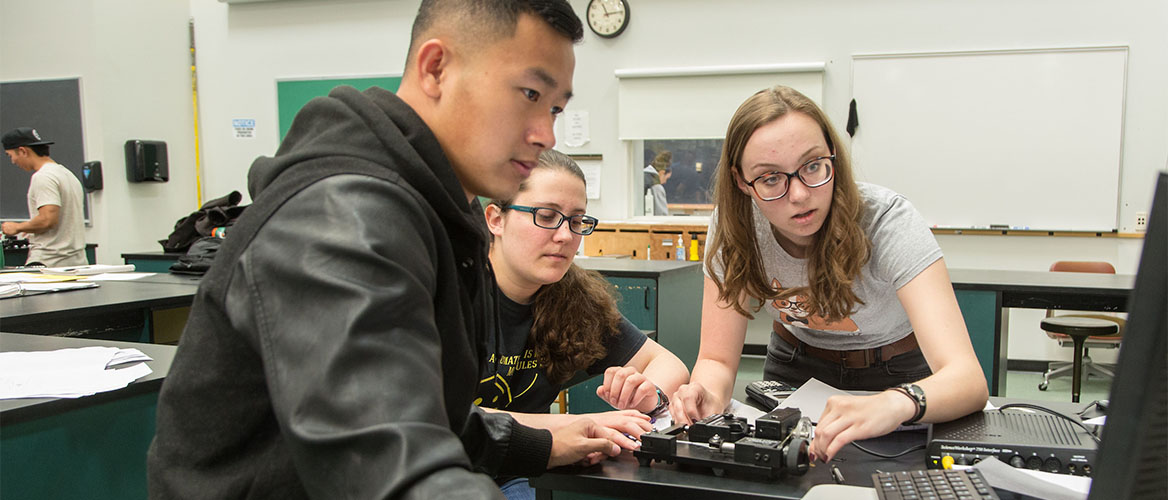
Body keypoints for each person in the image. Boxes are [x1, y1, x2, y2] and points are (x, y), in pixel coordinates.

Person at [148, 2, 624, 499]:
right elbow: (391, 465)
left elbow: (422, 416)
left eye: (554, 108)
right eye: (529, 93)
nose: (544, 134)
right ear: (436, 68)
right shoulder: (342, 217)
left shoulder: (435, 213)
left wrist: (537, 442)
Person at [669, 86, 988, 463]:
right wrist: (705, 392)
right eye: (771, 179)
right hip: (794, 367)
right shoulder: (735, 226)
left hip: (898, 375)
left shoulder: (888, 222)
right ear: (742, 182)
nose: (800, 194)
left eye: (813, 166)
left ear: (833, 157)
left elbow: (967, 378)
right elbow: (718, 362)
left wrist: (898, 401)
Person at [481, 149, 690, 499]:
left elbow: (669, 364)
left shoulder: (570, 297)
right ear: (496, 219)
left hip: (515, 471)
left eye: (576, 221)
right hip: (437, 465)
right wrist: (569, 428)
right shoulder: (450, 292)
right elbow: (442, 416)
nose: (565, 236)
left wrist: (647, 393)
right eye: (546, 216)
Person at [1, 127, 87, 267]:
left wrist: (17, 227)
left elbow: (47, 220)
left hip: (49, 263)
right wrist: (32, 229)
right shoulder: (67, 174)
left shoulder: (43, 177)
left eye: (11, 155)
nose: (13, 161)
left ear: (23, 151)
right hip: (76, 262)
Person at [643, 150, 672, 215]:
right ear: (662, 173)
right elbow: (661, 215)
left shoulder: (639, 178)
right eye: (666, 178)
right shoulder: (656, 187)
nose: (665, 182)